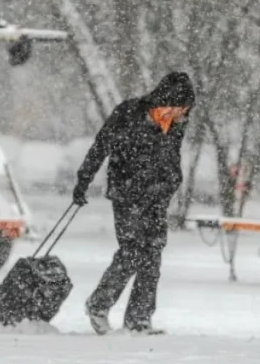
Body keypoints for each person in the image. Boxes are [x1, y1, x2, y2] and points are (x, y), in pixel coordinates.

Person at [71, 71, 196, 335]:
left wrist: (173, 180)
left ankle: (139, 320)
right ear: (169, 101)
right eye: (182, 108)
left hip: (157, 196)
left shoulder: (176, 124)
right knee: (132, 251)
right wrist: (83, 180)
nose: (184, 115)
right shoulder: (129, 113)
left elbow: (172, 157)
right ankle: (98, 305)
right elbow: (100, 146)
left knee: (152, 255)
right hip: (127, 194)